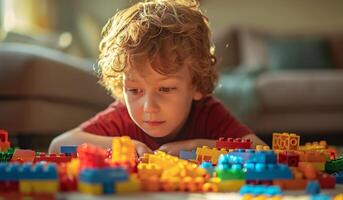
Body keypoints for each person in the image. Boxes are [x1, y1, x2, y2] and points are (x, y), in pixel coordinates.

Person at [49, 0, 266, 156]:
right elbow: (58, 145)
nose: (148, 107)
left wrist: (197, 147)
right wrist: (120, 146)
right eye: (134, 90)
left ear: (196, 85)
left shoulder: (207, 112)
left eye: (165, 89)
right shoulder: (122, 114)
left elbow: (260, 149)